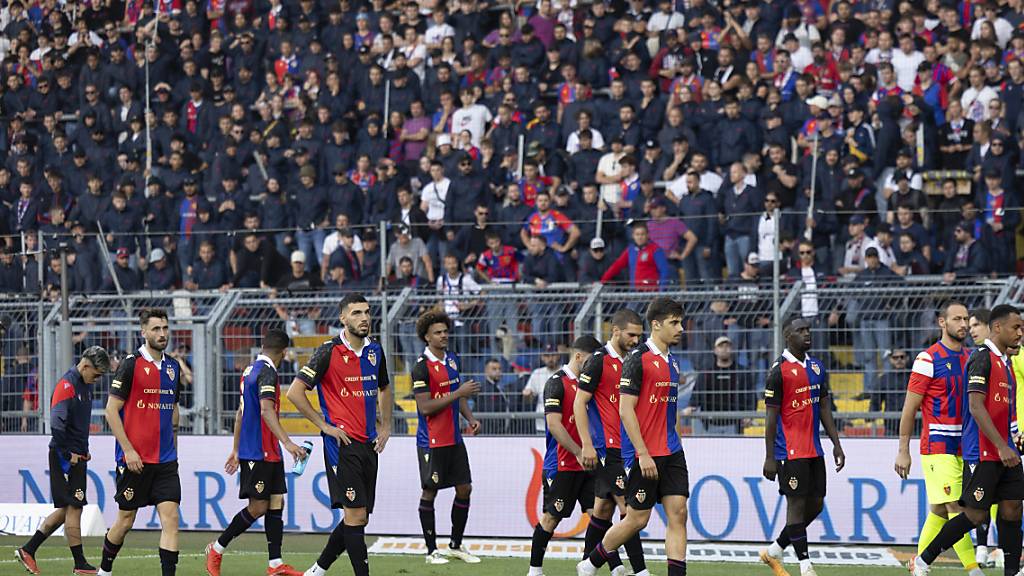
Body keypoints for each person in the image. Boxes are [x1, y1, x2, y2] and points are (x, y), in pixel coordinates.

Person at [577, 298, 688, 576]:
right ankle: (591, 563)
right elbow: (626, 411)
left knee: (679, 514)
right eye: (674, 323)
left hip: (671, 451)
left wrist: (678, 443)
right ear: (657, 325)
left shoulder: (673, 363)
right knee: (636, 519)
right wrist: (642, 453)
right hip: (643, 454)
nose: (681, 328)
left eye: (681, 322)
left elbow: (669, 411)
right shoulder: (637, 360)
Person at [911, 304, 1024, 576]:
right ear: (998, 328)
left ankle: (1011, 572)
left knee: (1013, 509)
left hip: (1005, 451)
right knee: (976, 515)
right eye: (1016, 327)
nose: (1020, 333)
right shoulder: (981, 358)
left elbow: (1008, 413)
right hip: (982, 452)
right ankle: (924, 560)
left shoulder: (1007, 365)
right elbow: (975, 407)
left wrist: (1015, 438)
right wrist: (1001, 445)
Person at [287, 294, 393, 576]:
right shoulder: (327, 351)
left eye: (367, 312)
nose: (364, 318)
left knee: (359, 517)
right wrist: (324, 425)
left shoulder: (375, 351)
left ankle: (318, 570)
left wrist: (386, 426)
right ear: (343, 318)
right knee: (355, 515)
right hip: (341, 445)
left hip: (369, 443)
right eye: (357, 313)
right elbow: (295, 393)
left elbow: (384, 388)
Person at [205, 329, 308, 576]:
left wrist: (235, 448)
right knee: (258, 506)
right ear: (285, 352)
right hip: (260, 450)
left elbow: (240, 413)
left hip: (262, 449)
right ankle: (216, 548)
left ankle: (275, 564)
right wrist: (288, 443)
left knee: (276, 501)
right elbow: (265, 410)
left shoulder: (250, 370)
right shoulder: (268, 373)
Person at [893, 302, 983, 576]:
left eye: (966, 319)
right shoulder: (927, 359)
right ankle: (973, 569)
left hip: (964, 447)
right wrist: (903, 450)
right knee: (957, 507)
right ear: (942, 323)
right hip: (938, 446)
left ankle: (918, 565)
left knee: (940, 512)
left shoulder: (971, 357)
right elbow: (910, 408)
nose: (964, 324)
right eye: (957, 319)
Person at [760, 317, 846, 576]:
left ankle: (776, 549)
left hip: (814, 450)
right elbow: (771, 418)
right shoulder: (779, 371)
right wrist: (770, 457)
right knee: (795, 506)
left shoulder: (818, 368)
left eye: (808, 330)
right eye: (800, 331)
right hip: (789, 451)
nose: (807, 334)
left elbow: (825, 409)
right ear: (788, 335)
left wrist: (836, 444)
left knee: (816, 505)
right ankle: (805, 565)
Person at [101, 309, 183, 576]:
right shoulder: (130, 364)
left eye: (165, 328)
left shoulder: (173, 366)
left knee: (171, 520)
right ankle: (105, 570)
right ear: (144, 332)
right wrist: (128, 450)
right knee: (125, 520)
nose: (162, 334)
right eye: (156, 329)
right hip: (134, 460)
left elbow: (174, 408)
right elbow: (111, 411)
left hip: (166, 461)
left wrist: (175, 446)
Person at [15, 347, 110, 576]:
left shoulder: (84, 386)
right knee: (74, 507)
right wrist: (69, 455)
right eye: (96, 374)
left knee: (66, 510)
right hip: (65, 457)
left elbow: (77, 425)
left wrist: (84, 451)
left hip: (77, 455)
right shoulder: (66, 386)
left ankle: (28, 549)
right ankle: (80, 564)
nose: (97, 379)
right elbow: (57, 425)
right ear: (85, 366)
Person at [573, 309, 650, 576]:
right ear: (615, 331)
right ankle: (640, 571)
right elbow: (579, 403)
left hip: (629, 447)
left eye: (640, 336)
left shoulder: (636, 360)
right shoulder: (598, 361)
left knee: (603, 509)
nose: (636, 340)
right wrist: (586, 444)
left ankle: (586, 564)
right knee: (629, 510)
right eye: (631, 334)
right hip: (609, 449)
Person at [411, 310, 482, 565]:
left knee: (465, 488)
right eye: (438, 333)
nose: (443, 336)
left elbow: (458, 395)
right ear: (426, 337)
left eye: (445, 331)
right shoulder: (421, 367)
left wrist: (470, 418)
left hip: (454, 438)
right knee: (430, 491)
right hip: (431, 440)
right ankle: (431, 551)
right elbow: (426, 407)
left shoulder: (452, 359)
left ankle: (455, 545)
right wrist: (458, 392)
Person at [529, 335, 604, 576]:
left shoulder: (590, 385)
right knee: (552, 518)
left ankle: (589, 567)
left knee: (599, 516)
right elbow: (554, 425)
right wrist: (578, 451)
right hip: (562, 464)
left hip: (589, 464)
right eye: (592, 361)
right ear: (579, 356)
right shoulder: (556, 383)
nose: (595, 367)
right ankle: (535, 570)